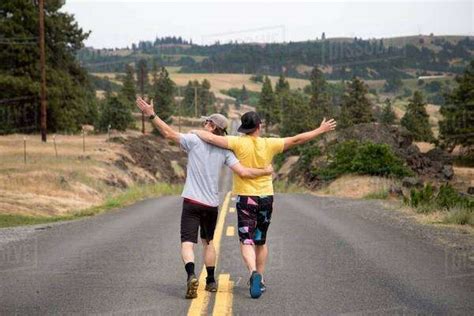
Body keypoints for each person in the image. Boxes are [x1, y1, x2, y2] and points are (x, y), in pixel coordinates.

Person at [136, 98, 273, 299]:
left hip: (191, 201)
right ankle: (210, 281)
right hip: (211, 204)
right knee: (208, 242)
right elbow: (243, 172)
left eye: (206, 122)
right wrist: (265, 171)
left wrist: (151, 114)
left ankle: (191, 274)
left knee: (187, 241)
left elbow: (167, 133)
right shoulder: (225, 150)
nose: (203, 124)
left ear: (211, 126)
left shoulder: (193, 140)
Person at [192, 111, 337, 299]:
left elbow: (209, 137)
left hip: (246, 198)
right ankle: (260, 279)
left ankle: (253, 271)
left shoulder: (237, 142)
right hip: (266, 197)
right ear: (259, 126)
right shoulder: (270, 144)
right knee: (261, 240)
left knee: (246, 240)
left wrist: (196, 131)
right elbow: (296, 140)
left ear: (243, 128)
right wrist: (320, 130)